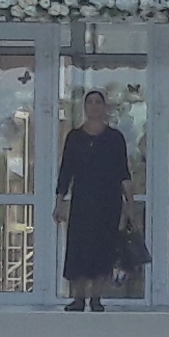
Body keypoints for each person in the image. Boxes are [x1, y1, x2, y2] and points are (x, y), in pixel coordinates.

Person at [54, 88, 134, 310]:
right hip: (82, 202)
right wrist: (59, 202)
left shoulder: (115, 138)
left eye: (98, 102)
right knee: (78, 248)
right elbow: (66, 172)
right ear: (84, 107)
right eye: (90, 102)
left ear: (105, 107)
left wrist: (130, 203)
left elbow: (123, 172)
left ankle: (96, 298)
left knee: (103, 248)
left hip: (108, 202)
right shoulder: (75, 138)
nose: (94, 106)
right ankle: (79, 298)